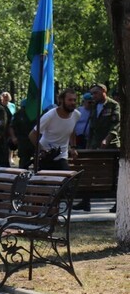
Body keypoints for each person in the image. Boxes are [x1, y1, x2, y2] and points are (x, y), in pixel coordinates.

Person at [75, 83, 121, 212]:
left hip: (111, 145)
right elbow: (92, 127)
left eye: (95, 93)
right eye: (92, 93)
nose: (93, 96)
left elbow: (115, 125)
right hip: (95, 145)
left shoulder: (113, 105)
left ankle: (118, 203)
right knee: (89, 172)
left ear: (104, 91)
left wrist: (107, 139)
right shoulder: (94, 106)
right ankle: (85, 201)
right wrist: (89, 145)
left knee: (114, 175)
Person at [29, 89, 80, 172]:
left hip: (62, 156)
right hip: (46, 156)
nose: (73, 103)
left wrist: (73, 147)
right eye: (70, 100)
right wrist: (42, 150)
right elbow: (32, 135)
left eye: (74, 100)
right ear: (61, 100)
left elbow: (72, 131)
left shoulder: (76, 115)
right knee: (44, 182)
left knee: (65, 180)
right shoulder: (50, 116)